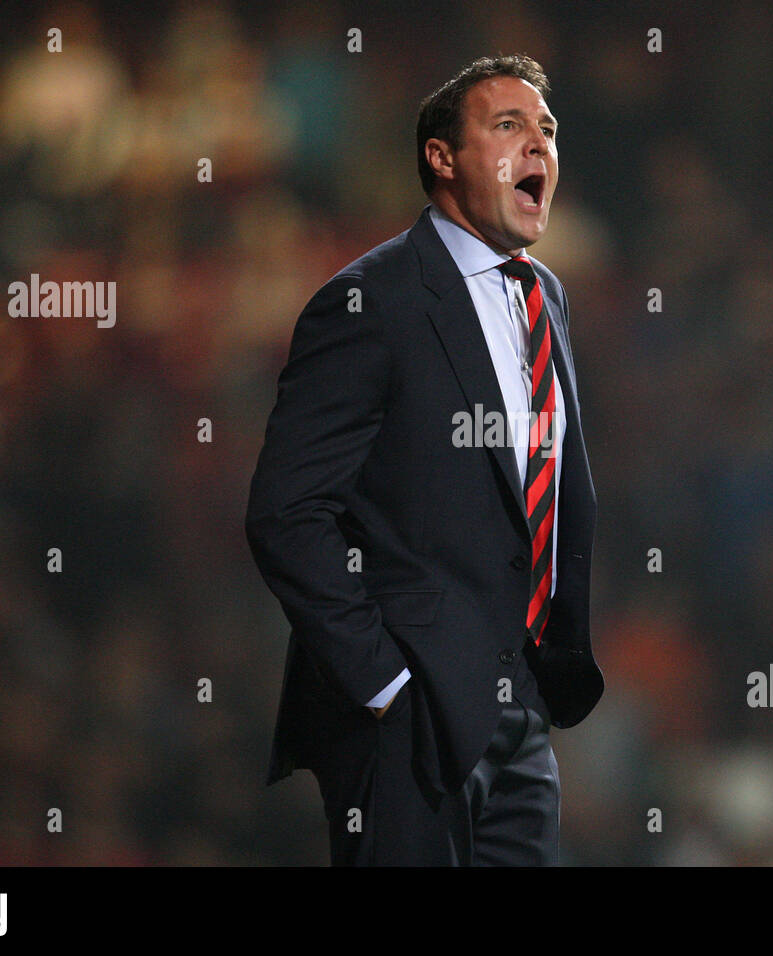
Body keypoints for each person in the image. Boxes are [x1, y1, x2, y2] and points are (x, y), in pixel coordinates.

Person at [245, 54, 603, 866]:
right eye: (508, 126)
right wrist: (385, 687)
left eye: (546, 130)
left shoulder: (545, 294)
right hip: (406, 720)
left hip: (519, 717)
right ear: (442, 158)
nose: (538, 146)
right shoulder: (371, 300)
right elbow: (285, 515)